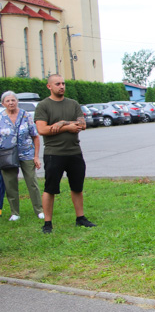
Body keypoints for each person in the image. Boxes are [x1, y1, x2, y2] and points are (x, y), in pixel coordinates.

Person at [34, 74, 96, 234]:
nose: (61, 86)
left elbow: (82, 125)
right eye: (57, 84)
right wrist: (68, 127)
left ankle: (80, 218)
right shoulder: (43, 106)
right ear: (49, 86)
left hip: (74, 152)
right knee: (50, 188)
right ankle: (47, 223)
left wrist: (62, 123)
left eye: (63, 83)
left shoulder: (73, 104)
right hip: (54, 153)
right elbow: (42, 129)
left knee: (77, 186)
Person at [0, 91, 44, 222]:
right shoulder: (0, 117)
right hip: (6, 155)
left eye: (13, 100)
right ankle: (15, 212)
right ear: (3, 104)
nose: (11, 103)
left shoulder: (25, 115)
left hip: (27, 153)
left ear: (17, 101)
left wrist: (36, 157)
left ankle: (39, 210)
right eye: (7, 101)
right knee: (10, 184)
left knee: (32, 182)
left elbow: (35, 136)